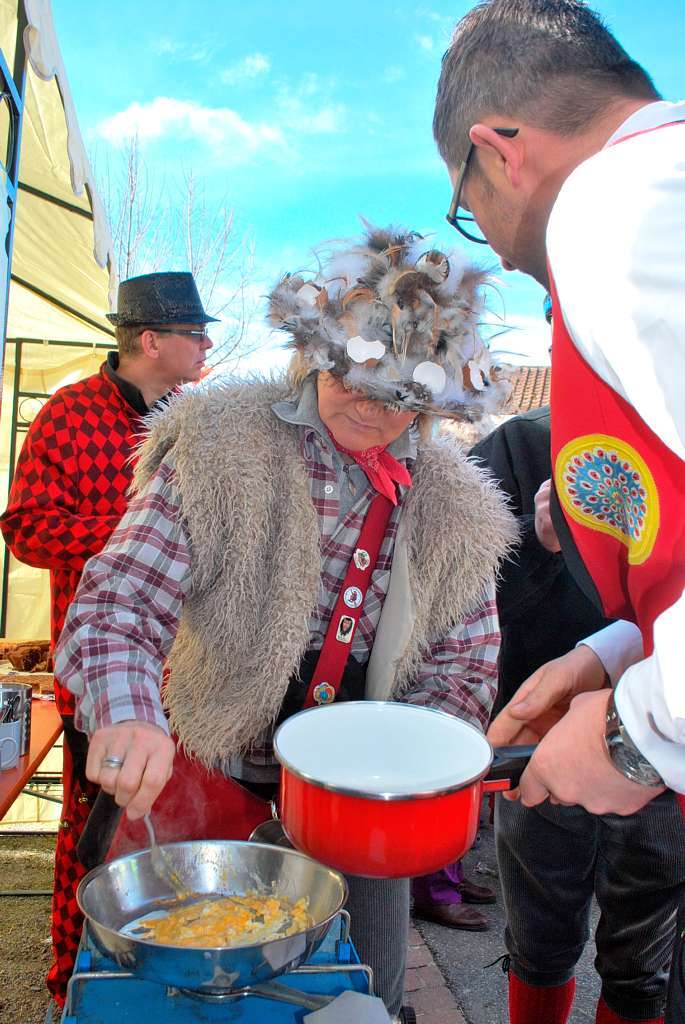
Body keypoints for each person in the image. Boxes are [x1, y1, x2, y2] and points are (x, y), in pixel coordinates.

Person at [54, 225, 517, 1019]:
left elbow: (463, 667)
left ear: (433, 402)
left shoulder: (464, 510)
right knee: (190, 992)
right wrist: (127, 715)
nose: (370, 409)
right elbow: (118, 603)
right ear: (317, 355)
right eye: (354, 379)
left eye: (399, 396)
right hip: (209, 774)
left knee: (357, 994)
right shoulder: (216, 441)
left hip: (359, 810)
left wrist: (403, 766)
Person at [432, 2, 685, 1019]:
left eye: (467, 209)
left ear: (500, 151)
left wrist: (633, 734)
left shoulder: (626, 210)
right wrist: (615, 654)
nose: (489, 249)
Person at [0, 271, 216, 1006]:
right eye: (195, 332)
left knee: (176, 822)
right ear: (150, 341)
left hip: (190, 669)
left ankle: (163, 975)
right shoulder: (66, 415)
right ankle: (73, 979)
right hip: (96, 664)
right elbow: (25, 527)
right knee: (92, 828)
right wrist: (138, 544)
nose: (208, 344)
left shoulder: (197, 422)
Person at [473, 405, 684, 1024]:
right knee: (538, 936)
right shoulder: (517, 444)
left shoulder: (670, 432)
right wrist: (537, 546)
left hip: (662, 747)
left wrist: (640, 717)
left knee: (642, 954)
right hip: (540, 735)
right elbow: (466, 599)